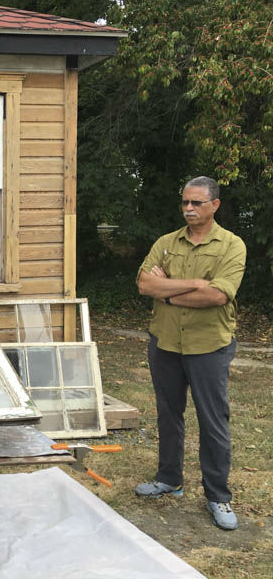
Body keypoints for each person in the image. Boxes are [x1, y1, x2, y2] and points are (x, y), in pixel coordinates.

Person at [135, 176, 246, 531]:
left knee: (213, 421)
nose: (188, 209)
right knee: (169, 413)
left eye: (196, 203)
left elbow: (217, 296)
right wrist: (194, 284)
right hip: (165, 342)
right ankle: (170, 478)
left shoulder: (232, 245)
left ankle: (218, 496)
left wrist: (166, 292)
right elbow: (143, 284)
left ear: (215, 204)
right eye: (185, 202)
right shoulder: (166, 243)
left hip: (209, 345)